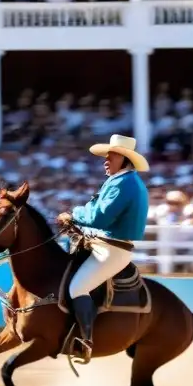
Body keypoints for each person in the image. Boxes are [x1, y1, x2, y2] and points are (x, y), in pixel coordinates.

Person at [57, 135, 150, 361]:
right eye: (106, 157)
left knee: (77, 288)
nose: (105, 161)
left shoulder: (125, 184)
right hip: (103, 244)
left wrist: (73, 214)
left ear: (125, 159)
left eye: (111, 156)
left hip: (111, 250)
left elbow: (100, 218)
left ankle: (86, 341)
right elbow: (95, 209)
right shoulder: (120, 180)